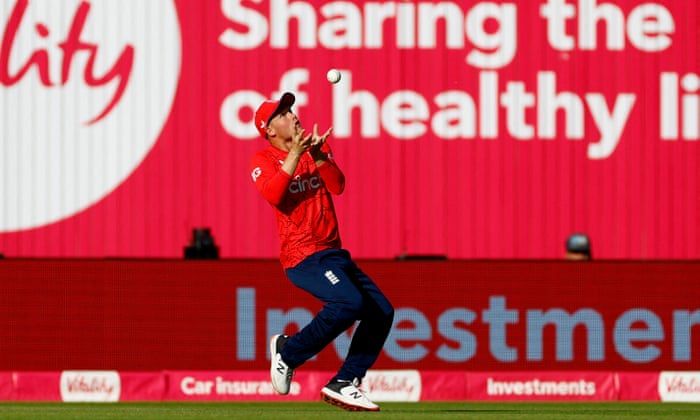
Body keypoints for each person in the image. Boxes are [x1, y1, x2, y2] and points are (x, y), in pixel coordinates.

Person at [249, 92, 394, 412]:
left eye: (291, 110)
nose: (293, 116)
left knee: (381, 311)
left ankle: (345, 381)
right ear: (269, 130)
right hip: (302, 256)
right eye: (283, 114)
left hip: (333, 252)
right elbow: (274, 194)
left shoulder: (313, 149)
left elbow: (338, 185)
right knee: (349, 302)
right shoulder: (262, 160)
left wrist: (317, 155)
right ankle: (288, 354)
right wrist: (295, 154)